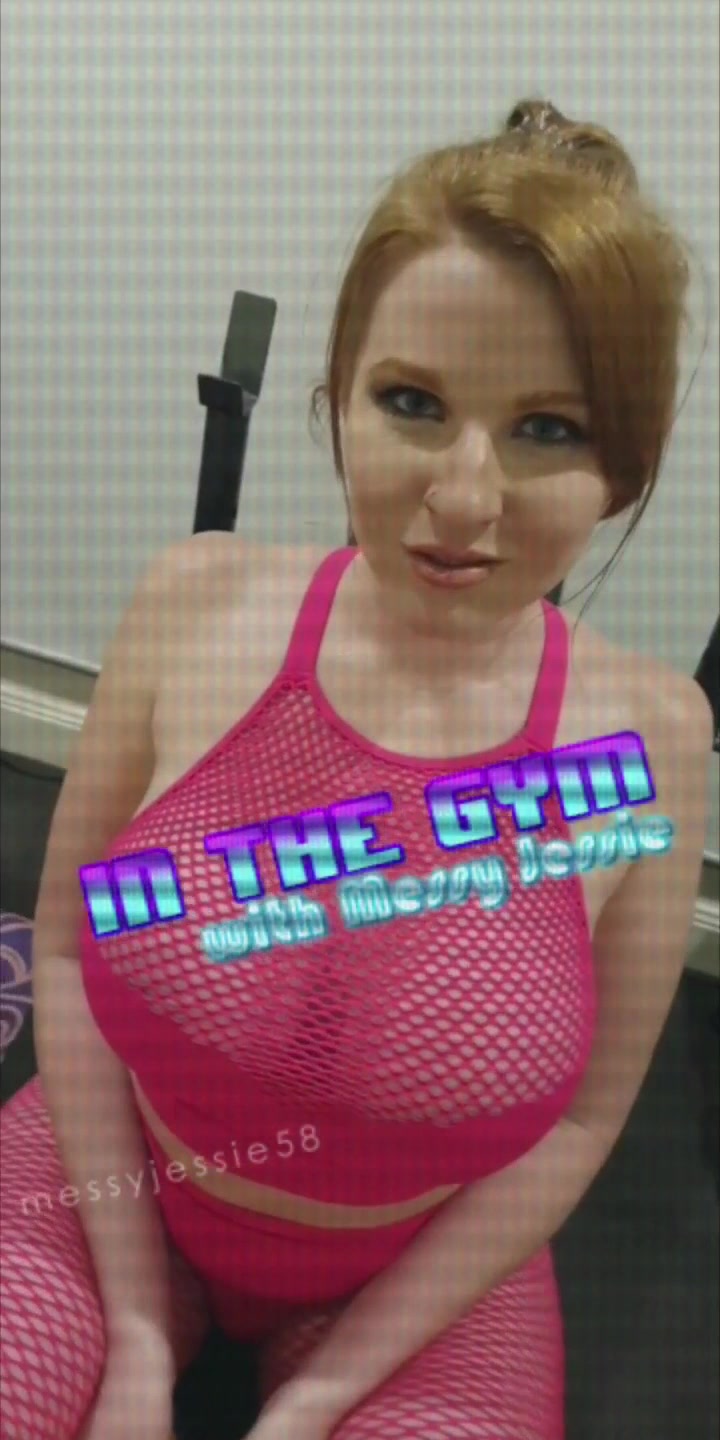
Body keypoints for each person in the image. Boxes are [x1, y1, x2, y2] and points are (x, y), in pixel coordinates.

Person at [0, 98, 713, 1440]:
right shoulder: (195, 605)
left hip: (410, 1272)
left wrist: (320, 1399)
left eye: (548, 428)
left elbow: (578, 1128)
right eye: (413, 403)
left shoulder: (649, 747)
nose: (465, 497)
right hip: (106, 1188)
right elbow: (69, 952)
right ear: (340, 403)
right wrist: (137, 1335)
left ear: (622, 467)